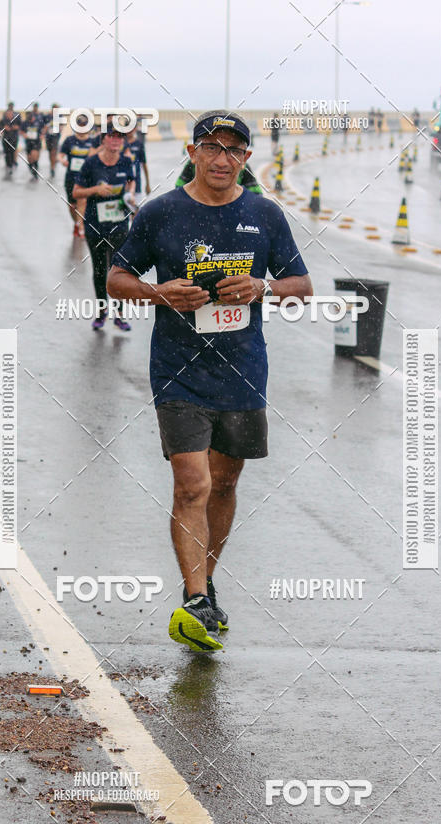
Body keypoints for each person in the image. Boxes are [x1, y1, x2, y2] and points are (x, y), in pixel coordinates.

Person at [107, 110, 311, 652]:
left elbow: (302, 284)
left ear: (247, 158)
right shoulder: (161, 213)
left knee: (223, 485)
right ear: (193, 152)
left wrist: (264, 288)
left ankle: (206, 583)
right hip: (178, 372)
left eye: (234, 150)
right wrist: (159, 293)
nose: (223, 159)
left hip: (243, 371)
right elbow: (116, 278)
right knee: (192, 484)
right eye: (213, 148)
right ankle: (195, 598)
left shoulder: (264, 214)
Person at [72, 126, 136, 330]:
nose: (116, 140)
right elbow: (76, 192)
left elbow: (131, 182)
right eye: (112, 136)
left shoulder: (126, 162)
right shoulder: (91, 163)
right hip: (95, 224)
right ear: (103, 140)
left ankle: (120, 315)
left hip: (119, 223)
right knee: (99, 270)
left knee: (119, 270)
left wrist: (129, 194)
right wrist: (96, 190)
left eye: (120, 137)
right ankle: (102, 312)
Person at [59, 114, 97, 237]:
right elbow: (60, 154)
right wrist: (62, 160)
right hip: (71, 177)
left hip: (86, 179)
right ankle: (77, 222)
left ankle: (80, 226)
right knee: (72, 206)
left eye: (84, 125)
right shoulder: (69, 140)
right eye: (80, 125)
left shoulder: (92, 142)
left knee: (82, 201)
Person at [175, 157, 262, 193]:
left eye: (232, 150)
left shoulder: (243, 167)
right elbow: (180, 186)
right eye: (211, 148)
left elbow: (255, 193)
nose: (221, 163)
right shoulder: (193, 164)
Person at [122, 126, 151, 204]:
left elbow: (144, 164)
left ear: (135, 129)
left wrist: (147, 184)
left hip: (137, 183)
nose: (130, 131)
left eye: (132, 128)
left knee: (137, 208)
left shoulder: (139, 144)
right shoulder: (120, 144)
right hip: (123, 184)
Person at [20, 103, 45, 179]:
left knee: (34, 155)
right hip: (28, 142)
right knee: (29, 159)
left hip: (36, 141)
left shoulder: (38, 122)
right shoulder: (25, 123)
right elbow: (21, 131)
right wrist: (24, 134)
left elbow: (43, 129)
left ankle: (35, 169)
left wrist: (42, 135)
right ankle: (31, 168)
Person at [0, 107, 21, 176]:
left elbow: (22, 127)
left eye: (10, 113)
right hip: (6, 139)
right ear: (6, 114)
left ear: (12, 114)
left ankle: (11, 164)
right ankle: (8, 165)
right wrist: (4, 128)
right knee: (6, 152)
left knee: (12, 152)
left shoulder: (16, 120)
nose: (9, 115)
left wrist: (17, 127)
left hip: (14, 139)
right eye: (8, 114)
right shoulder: (3, 120)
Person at [43, 103, 62, 178]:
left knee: (53, 152)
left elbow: (61, 126)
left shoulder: (59, 116)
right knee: (50, 152)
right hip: (48, 137)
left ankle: (52, 168)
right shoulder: (47, 116)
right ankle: (52, 163)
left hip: (55, 136)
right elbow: (44, 126)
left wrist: (58, 128)